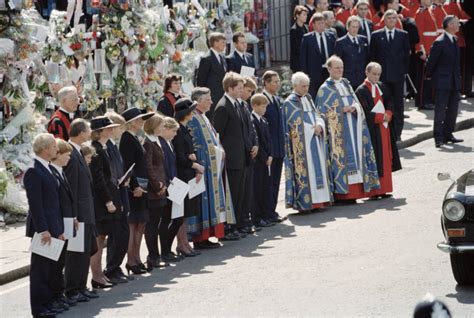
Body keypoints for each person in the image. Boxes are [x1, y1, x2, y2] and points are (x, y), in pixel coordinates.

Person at [315, 56, 380, 203]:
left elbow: (357, 104)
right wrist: (340, 110)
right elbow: (321, 113)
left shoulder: (347, 84)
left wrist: (354, 108)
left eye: (341, 67)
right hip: (339, 134)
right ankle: (342, 194)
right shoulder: (324, 89)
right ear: (329, 69)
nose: (340, 70)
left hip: (353, 128)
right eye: (337, 68)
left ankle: (357, 192)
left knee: (356, 158)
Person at [187, 87, 234, 248]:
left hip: (211, 166)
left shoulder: (203, 117)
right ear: (198, 101)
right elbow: (194, 145)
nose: (211, 102)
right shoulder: (193, 118)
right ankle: (200, 238)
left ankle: (209, 235)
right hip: (202, 167)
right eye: (208, 99)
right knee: (202, 202)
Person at [25, 134, 64, 318]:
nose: (57, 149)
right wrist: (43, 230)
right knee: (40, 270)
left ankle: (48, 303)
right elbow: (36, 205)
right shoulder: (33, 170)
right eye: (54, 146)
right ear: (44, 148)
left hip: (53, 225)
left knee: (50, 268)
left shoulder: (47, 167)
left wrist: (59, 229)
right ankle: (39, 308)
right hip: (43, 228)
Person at [282, 72, 332, 213]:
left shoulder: (308, 98)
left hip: (316, 140)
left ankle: (319, 201)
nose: (306, 89)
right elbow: (294, 125)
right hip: (302, 146)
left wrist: (320, 125)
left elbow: (317, 115)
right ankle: (306, 203)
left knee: (318, 169)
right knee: (307, 171)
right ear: (295, 85)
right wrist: (312, 130)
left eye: (307, 86)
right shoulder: (289, 103)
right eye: (303, 86)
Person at [355, 62, 402, 198]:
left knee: (386, 158)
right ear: (367, 73)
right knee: (375, 159)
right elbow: (363, 111)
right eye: (374, 74)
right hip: (372, 130)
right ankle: (374, 191)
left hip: (384, 129)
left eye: (378, 74)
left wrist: (389, 113)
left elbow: (390, 101)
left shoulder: (382, 86)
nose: (376, 77)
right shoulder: (361, 90)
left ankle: (385, 188)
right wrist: (381, 117)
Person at [64, 119, 98, 303]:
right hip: (79, 213)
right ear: (81, 132)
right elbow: (71, 188)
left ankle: (81, 286)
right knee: (75, 255)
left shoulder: (78, 151)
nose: (90, 132)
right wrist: (73, 214)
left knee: (84, 252)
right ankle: (71, 289)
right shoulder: (70, 153)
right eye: (88, 129)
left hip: (87, 210)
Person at [212, 72, 247, 240]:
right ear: (230, 88)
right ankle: (228, 228)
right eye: (239, 88)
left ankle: (237, 225)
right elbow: (218, 135)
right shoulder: (223, 106)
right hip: (231, 159)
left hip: (240, 157)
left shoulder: (236, 104)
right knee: (231, 195)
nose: (241, 91)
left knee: (239, 194)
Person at [120, 107, 154, 274]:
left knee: (141, 224)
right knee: (134, 225)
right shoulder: (126, 139)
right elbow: (128, 166)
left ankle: (137, 258)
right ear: (131, 122)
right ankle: (131, 260)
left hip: (142, 185)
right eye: (140, 119)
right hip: (136, 188)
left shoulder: (133, 137)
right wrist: (135, 186)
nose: (142, 122)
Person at [89, 116, 121, 289]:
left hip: (108, 197)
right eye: (107, 128)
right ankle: (96, 276)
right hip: (101, 201)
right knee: (99, 239)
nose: (111, 130)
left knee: (103, 238)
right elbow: (99, 179)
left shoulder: (104, 147)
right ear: (98, 132)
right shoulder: (96, 150)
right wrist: (108, 201)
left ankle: (99, 274)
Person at [370, 9, 410, 140]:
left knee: (398, 105)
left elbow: (406, 56)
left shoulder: (403, 35)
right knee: (384, 104)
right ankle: (385, 131)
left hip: (397, 77)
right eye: (389, 18)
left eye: (394, 18)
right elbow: (373, 56)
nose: (392, 20)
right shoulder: (376, 35)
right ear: (384, 20)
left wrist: (404, 72)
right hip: (382, 77)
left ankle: (397, 133)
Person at [172, 98, 206, 255]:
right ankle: (181, 243)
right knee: (181, 213)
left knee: (186, 213)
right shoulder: (178, 131)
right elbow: (181, 156)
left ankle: (184, 243)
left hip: (188, 174)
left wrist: (195, 165)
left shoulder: (184, 129)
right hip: (181, 175)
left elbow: (191, 153)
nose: (193, 113)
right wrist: (195, 165)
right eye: (191, 110)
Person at [426, 15, 463, 148]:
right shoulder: (440, 42)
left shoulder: (455, 39)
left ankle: (448, 134)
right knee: (440, 110)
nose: (459, 25)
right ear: (449, 25)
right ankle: (438, 137)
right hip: (442, 81)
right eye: (456, 23)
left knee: (453, 109)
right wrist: (430, 77)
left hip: (453, 81)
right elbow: (431, 62)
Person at [103, 112, 131, 284]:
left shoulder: (113, 145)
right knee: (117, 234)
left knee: (123, 233)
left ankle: (116, 266)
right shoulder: (107, 146)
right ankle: (111, 268)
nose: (122, 130)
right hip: (115, 193)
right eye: (120, 127)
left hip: (121, 191)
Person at [49, 139, 76, 312]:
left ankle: (58, 296)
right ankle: (53, 297)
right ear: (57, 155)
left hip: (65, 222)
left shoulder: (60, 171)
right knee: (53, 266)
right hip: (55, 225)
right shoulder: (52, 172)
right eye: (66, 154)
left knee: (60, 263)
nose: (69, 158)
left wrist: (72, 217)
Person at [143, 114, 170, 269]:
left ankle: (156, 255)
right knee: (152, 225)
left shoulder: (156, 141)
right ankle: (153, 256)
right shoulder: (148, 142)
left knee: (157, 222)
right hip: (155, 190)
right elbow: (149, 167)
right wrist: (157, 185)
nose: (163, 128)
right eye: (161, 125)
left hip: (161, 186)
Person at [159, 117, 185, 261]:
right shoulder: (161, 143)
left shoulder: (168, 143)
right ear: (165, 129)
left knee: (177, 219)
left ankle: (167, 249)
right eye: (173, 131)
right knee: (167, 219)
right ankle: (165, 251)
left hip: (174, 184)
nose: (175, 134)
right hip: (169, 185)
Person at [262, 71, 287, 223]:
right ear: (266, 83)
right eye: (274, 82)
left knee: (276, 181)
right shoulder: (261, 99)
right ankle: (266, 212)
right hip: (269, 150)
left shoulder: (277, 100)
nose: (277, 84)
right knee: (268, 182)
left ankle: (272, 210)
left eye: (278, 81)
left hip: (279, 148)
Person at [250, 94, 275, 226]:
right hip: (259, 162)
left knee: (265, 188)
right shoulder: (252, 120)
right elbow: (257, 142)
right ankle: (257, 217)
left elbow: (268, 140)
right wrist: (265, 157)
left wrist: (270, 155)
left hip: (266, 160)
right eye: (262, 106)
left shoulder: (264, 120)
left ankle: (265, 214)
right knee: (257, 190)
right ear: (254, 106)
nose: (264, 109)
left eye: (265, 106)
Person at [239, 78, 259, 233]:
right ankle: (242, 221)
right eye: (248, 91)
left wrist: (255, 144)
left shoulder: (245, 105)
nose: (249, 94)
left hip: (249, 153)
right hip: (240, 155)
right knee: (241, 192)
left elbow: (251, 129)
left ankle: (247, 219)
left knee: (249, 191)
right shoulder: (231, 106)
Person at [300, 12, 336, 98]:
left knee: (329, 95)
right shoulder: (307, 38)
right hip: (314, 73)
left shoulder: (331, 36)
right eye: (319, 24)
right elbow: (303, 58)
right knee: (315, 96)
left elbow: (335, 53)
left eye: (323, 23)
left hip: (328, 71)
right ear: (314, 25)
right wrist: (305, 74)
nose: (321, 26)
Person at [196, 32, 227, 119]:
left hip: (222, 97)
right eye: (222, 42)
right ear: (215, 43)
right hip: (211, 99)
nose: (225, 45)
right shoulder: (207, 58)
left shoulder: (222, 58)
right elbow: (200, 81)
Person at [415, 0, 438, 110]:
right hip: (425, 49)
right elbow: (418, 34)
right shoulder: (421, 12)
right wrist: (420, 50)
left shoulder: (430, 11)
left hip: (431, 48)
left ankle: (429, 99)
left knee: (429, 78)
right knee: (424, 79)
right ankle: (422, 101)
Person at [334, 16, 369, 90]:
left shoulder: (363, 39)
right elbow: (338, 62)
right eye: (353, 27)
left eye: (357, 27)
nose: (355, 29)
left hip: (362, 78)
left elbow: (367, 58)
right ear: (347, 27)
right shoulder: (340, 42)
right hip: (348, 79)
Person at [290, 5, 309, 72]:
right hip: (297, 63)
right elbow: (296, 47)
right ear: (297, 15)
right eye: (304, 15)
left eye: (306, 15)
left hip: (306, 61)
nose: (306, 16)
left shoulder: (306, 27)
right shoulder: (294, 30)